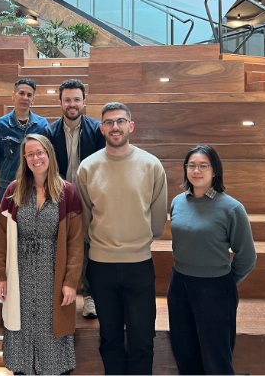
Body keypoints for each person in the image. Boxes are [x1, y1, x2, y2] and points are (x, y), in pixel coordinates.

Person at [76, 102, 167, 375]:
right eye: (109, 122)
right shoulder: (88, 167)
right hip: (100, 266)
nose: (115, 127)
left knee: (142, 339)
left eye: (120, 121)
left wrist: (135, 239)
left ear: (131, 125)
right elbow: (85, 218)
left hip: (138, 265)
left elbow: (158, 218)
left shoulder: (151, 165)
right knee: (110, 338)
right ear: (101, 128)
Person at [0, 134, 83, 375]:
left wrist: (71, 282)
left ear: (49, 155)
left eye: (40, 152)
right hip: (20, 274)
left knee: (51, 336)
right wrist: (0, 275)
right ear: (25, 159)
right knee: (20, 331)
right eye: (30, 154)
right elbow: (1, 237)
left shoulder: (68, 192)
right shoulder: (14, 190)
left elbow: (75, 243)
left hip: (53, 275)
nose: (36, 158)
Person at [167, 145, 256, 375]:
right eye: (192, 165)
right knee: (184, 352)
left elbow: (246, 255)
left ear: (215, 170)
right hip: (179, 285)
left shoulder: (232, 208)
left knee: (216, 358)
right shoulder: (178, 201)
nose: (197, 170)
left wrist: (224, 283)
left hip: (214, 287)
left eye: (203, 166)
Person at [43, 79, 105, 319]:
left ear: (84, 102)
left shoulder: (97, 130)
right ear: (60, 103)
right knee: (59, 248)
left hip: (89, 199)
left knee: (90, 248)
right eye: (67, 99)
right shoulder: (48, 132)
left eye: (76, 99)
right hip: (59, 199)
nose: (72, 104)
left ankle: (89, 297)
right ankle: (58, 295)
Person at [0, 78, 48, 204]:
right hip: (8, 183)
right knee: (8, 221)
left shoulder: (42, 124)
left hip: (35, 183)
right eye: (21, 93)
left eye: (29, 95)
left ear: (33, 99)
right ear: (13, 95)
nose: (25, 98)